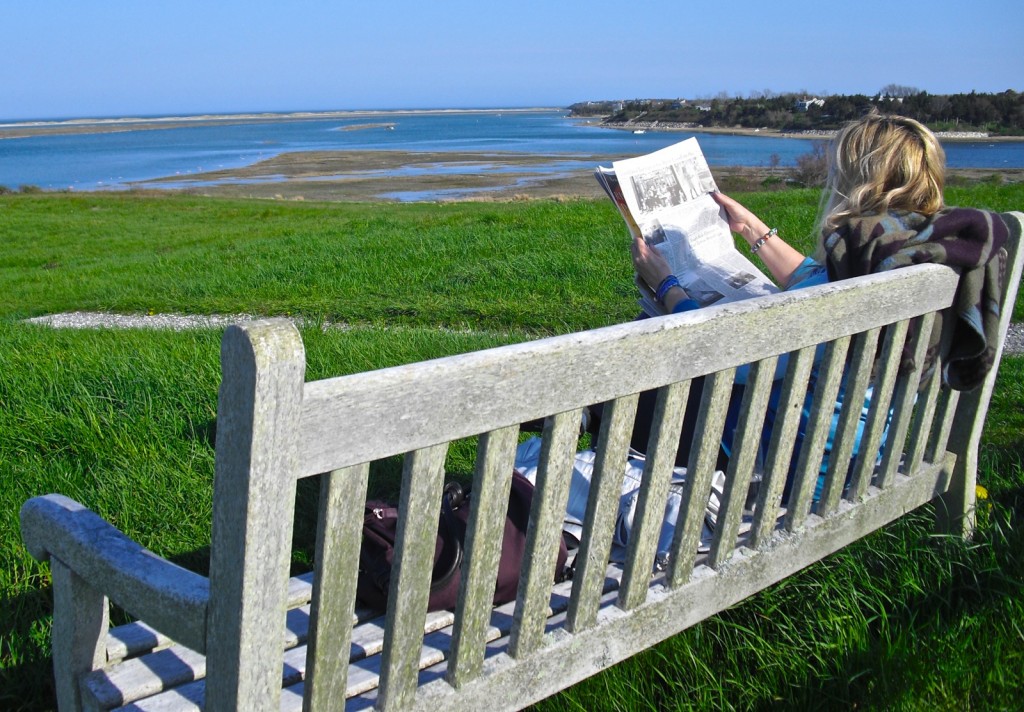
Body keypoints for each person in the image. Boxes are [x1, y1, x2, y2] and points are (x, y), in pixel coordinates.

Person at [622, 112, 1008, 487]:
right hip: (865, 452)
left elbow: (721, 354)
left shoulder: (842, 296)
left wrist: (667, 286)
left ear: (857, 185)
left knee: (653, 360)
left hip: (802, 474)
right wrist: (754, 230)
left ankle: (622, 488)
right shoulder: (911, 254)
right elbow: (823, 279)